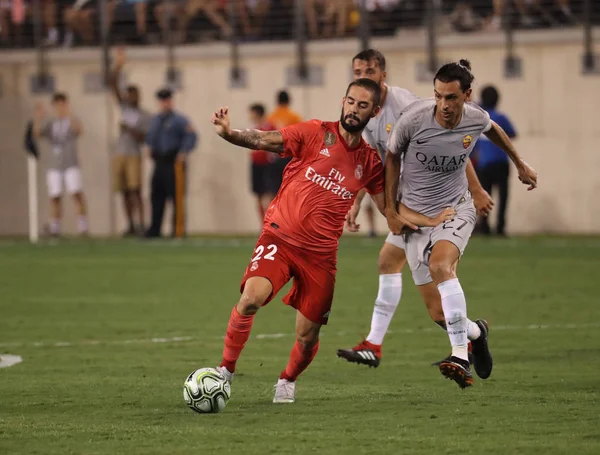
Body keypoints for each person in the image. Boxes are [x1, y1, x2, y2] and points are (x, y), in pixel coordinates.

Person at [209, 78, 455, 403]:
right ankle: (224, 372)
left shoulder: (369, 162)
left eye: (362, 105)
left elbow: (390, 211)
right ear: (343, 101)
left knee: (307, 336)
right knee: (252, 298)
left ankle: (288, 379)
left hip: (321, 257)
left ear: (374, 111)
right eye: (351, 101)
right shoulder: (314, 133)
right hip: (280, 237)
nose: (354, 109)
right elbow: (264, 139)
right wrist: (229, 133)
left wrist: (432, 219)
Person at [384, 59, 537, 388]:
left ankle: (459, 355)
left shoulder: (475, 117)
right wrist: (391, 210)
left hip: (455, 209)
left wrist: (519, 163)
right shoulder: (413, 120)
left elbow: (492, 129)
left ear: (467, 96)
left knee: (441, 265)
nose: (443, 105)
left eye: (451, 97)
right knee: (438, 314)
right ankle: (476, 333)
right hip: (414, 216)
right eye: (438, 96)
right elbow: (392, 158)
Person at [337, 49, 493, 368]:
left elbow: (450, 148)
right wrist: (358, 201)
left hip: (437, 204)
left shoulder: (406, 105)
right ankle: (474, 334)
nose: (363, 75)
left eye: (369, 69)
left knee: (428, 270)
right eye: (357, 71)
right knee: (436, 311)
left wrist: (476, 189)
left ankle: (382, 345)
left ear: (383, 74)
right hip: (408, 204)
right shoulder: (363, 113)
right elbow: (375, 164)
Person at [109, 47, 151, 237]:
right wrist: (118, 66)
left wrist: (130, 130)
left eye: (133, 95)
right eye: (128, 94)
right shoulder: (125, 109)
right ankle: (130, 224)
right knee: (124, 191)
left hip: (133, 153)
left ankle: (142, 223)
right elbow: (113, 85)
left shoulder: (144, 115)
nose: (130, 97)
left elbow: (145, 138)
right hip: (120, 152)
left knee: (136, 190)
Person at [33, 93, 88, 236]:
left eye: (62, 103)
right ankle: (55, 227)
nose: (60, 107)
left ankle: (82, 226)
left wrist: (69, 113)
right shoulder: (51, 122)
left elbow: (79, 130)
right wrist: (39, 116)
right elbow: (37, 133)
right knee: (55, 196)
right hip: (54, 164)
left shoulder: (71, 120)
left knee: (76, 193)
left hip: (70, 163)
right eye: (57, 104)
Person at [145, 88, 197, 238]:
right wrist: (149, 147)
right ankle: (155, 229)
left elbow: (191, 136)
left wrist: (183, 151)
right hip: (159, 161)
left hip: (174, 162)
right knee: (156, 196)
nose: (164, 104)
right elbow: (150, 137)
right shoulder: (155, 120)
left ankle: (178, 230)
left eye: (166, 100)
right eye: (161, 101)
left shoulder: (179, 120)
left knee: (176, 197)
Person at [474, 85, 516, 237]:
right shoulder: (501, 118)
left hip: (484, 163)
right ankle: (500, 227)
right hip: (501, 162)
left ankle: (484, 227)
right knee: (503, 196)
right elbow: (512, 133)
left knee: (485, 195)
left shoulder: (478, 119)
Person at [267, 90, 303, 193]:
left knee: (275, 189)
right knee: (289, 187)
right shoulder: (295, 117)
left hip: (275, 156)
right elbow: (300, 137)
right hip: (289, 156)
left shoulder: (271, 117)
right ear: (289, 100)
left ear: (277, 100)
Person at [247, 103, 277, 223]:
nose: (250, 116)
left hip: (268, 165)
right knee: (258, 195)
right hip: (256, 164)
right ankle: (263, 223)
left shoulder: (270, 127)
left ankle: (272, 222)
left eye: (252, 113)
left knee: (270, 195)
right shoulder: (252, 128)